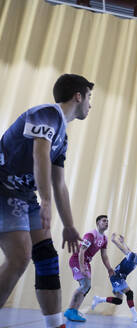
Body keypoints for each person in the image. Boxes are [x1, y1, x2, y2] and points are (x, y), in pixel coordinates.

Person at [0, 74, 93, 328]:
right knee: (20, 257)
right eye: (89, 97)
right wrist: (46, 201)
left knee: (47, 257)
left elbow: (59, 182)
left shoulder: (63, 138)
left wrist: (70, 225)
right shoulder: (48, 113)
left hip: (24, 196)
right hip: (4, 186)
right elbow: (39, 151)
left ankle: (55, 325)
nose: (90, 105)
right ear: (78, 95)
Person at [64, 215, 113, 322]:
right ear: (98, 223)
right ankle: (70, 310)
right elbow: (81, 251)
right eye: (104, 221)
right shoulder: (91, 235)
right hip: (77, 260)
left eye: (107, 221)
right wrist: (82, 267)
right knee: (85, 284)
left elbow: (104, 256)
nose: (106, 223)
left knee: (87, 286)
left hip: (86, 262)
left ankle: (74, 311)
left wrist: (109, 268)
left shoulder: (104, 239)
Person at [91, 233, 137, 322]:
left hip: (118, 278)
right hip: (116, 276)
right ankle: (135, 315)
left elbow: (128, 249)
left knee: (119, 301)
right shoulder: (133, 256)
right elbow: (124, 250)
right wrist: (114, 241)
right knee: (129, 293)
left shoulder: (135, 259)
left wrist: (123, 242)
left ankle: (99, 299)